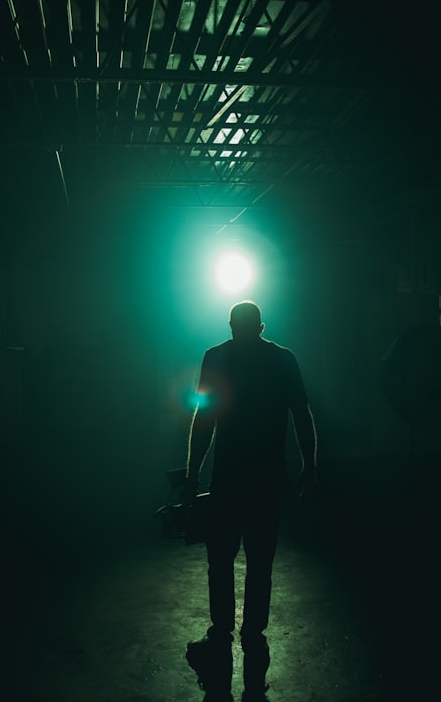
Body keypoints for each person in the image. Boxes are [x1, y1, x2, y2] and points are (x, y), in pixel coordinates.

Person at [183, 300, 318, 702]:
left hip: (228, 479)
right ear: (261, 326)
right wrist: (310, 467)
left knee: (220, 559)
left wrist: (192, 473)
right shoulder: (282, 360)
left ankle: (222, 627)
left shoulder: (216, 358)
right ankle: (252, 630)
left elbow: (203, 420)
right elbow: (301, 416)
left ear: (230, 326)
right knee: (260, 561)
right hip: (267, 479)